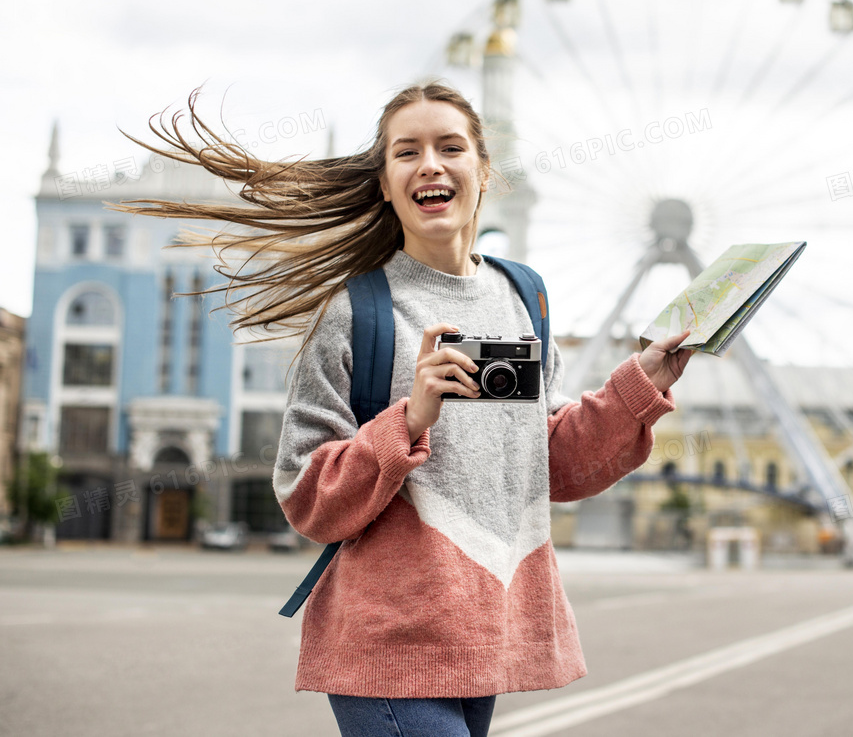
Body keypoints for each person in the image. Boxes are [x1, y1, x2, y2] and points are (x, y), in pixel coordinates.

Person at [110, 79, 694, 736]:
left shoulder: (524, 296)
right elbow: (305, 493)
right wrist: (407, 419)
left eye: (450, 146)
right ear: (386, 182)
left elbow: (550, 460)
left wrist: (640, 382)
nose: (431, 164)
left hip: (481, 634)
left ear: (483, 169)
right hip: (387, 640)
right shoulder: (354, 311)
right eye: (406, 152)